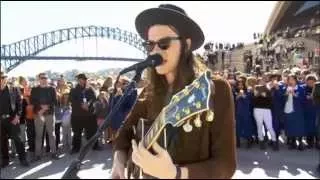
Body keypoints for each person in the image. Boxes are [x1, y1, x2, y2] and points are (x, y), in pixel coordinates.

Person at [111, 4, 236, 179]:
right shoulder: (150, 92)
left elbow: (226, 166)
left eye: (163, 44)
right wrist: (119, 160)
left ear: (186, 44)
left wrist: (175, 174)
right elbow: (124, 133)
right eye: (150, 45)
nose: (155, 51)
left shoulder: (215, 88)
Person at [0, 72, 29, 168]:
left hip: (12, 119)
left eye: (3, 77)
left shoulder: (13, 89)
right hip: (1, 120)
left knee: (18, 140)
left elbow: (20, 104)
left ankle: (23, 159)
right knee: (2, 141)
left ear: (6, 79)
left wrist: (17, 116)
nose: (1, 79)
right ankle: (5, 160)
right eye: (0, 77)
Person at [69, 73, 100, 154]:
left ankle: (95, 146)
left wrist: (88, 104)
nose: (81, 81)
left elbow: (94, 98)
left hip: (89, 115)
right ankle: (76, 148)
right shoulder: (73, 90)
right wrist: (81, 105)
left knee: (92, 131)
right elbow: (72, 100)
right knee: (77, 133)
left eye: (83, 79)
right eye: (79, 79)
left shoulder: (90, 89)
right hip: (77, 115)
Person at [30, 73, 59, 160]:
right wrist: (41, 107)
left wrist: (47, 106)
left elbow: (55, 101)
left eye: (45, 78)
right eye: (42, 78)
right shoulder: (34, 89)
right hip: (39, 114)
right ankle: (38, 154)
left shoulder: (52, 89)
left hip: (49, 114)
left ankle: (54, 153)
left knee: (51, 134)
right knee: (39, 135)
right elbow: (32, 101)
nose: (44, 79)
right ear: (39, 79)